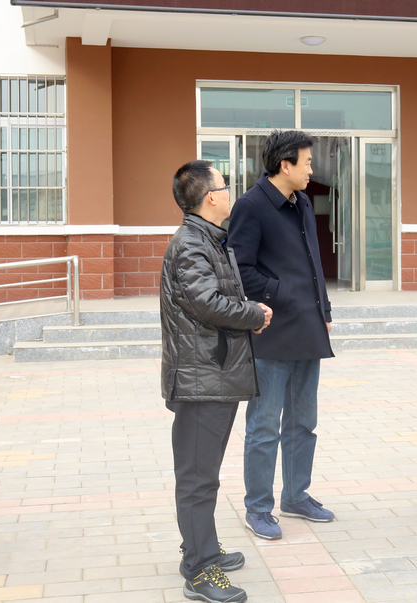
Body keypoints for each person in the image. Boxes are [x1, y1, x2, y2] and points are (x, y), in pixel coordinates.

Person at [161, 160, 273, 603]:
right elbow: (207, 303)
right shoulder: (191, 244)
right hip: (200, 379)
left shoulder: (206, 238)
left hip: (213, 374)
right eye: (226, 186)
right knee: (197, 478)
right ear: (211, 197)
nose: (231, 192)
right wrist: (254, 313)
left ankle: (201, 550)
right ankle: (199, 570)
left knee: (203, 475)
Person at [228, 130, 335, 540]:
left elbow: (313, 263)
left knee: (303, 421)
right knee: (264, 426)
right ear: (284, 165)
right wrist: (284, 294)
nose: (311, 169)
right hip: (271, 330)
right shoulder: (251, 206)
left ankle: (295, 496)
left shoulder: (301, 202)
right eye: (306, 162)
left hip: (308, 328)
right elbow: (240, 271)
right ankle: (258, 508)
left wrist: (324, 310)